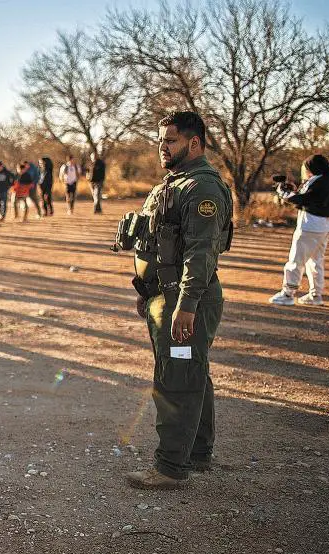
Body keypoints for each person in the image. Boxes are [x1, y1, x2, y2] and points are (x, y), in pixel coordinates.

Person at [124, 111, 232, 490]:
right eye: (160, 141)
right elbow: (160, 245)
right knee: (191, 373)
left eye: (170, 141)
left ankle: (170, 468)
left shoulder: (202, 188)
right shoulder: (175, 182)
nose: (162, 148)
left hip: (187, 301)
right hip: (165, 297)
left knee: (176, 380)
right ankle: (198, 453)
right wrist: (147, 292)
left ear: (194, 143)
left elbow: (201, 253)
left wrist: (185, 305)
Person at [268, 154, 329, 306]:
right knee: (315, 261)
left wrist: (283, 193)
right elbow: (311, 199)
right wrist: (295, 192)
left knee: (295, 260)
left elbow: (301, 200)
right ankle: (315, 295)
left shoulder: (317, 181)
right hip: (325, 226)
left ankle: (287, 294)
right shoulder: (328, 180)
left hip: (310, 226)